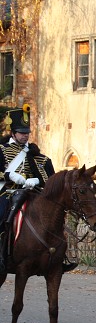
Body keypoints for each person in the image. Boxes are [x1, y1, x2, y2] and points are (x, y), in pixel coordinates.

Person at [0, 105, 55, 272]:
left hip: (30, 193)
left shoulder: (34, 154)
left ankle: (58, 255)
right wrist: (9, 176)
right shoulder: (2, 150)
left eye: (27, 133)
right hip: (7, 192)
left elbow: (47, 177)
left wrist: (36, 180)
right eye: (21, 132)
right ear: (13, 133)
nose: (25, 136)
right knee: (1, 215)